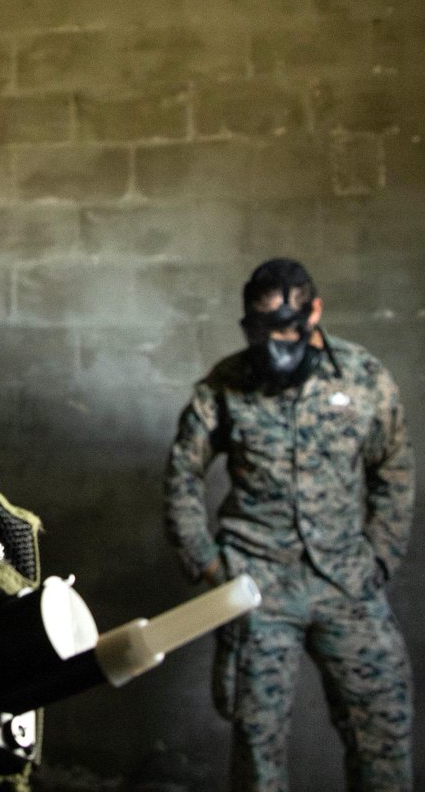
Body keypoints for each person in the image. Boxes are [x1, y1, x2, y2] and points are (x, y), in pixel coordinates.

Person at [164, 258, 415, 791]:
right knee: (258, 747)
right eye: (261, 332)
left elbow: (394, 468)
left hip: (346, 580)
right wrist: (207, 562)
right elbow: (183, 470)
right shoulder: (225, 385)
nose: (275, 345)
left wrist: (381, 556)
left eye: (286, 330)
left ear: (314, 312)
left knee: (384, 733)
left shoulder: (363, 378)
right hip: (257, 585)